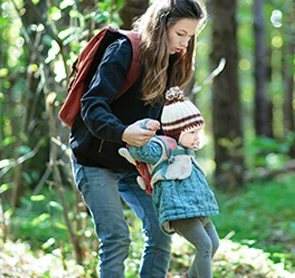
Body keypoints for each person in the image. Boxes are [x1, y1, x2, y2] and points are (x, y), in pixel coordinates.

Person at [69, 0, 206, 277]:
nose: (185, 43)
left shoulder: (169, 62)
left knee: (160, 231)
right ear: (161, 26)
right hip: (95, 161)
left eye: (190, 37)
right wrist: (122, 132)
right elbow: (92, 105)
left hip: (137, 165)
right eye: (181, 34)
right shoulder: (123, 51)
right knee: (116, 239)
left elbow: (162, 122)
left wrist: (184, 138)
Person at [121, 86, 220, 278]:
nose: (197, 137)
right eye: (192, 133)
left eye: (198, 132)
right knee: (204, 245)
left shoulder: (186, 151)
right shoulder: (163, 147)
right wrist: (143, 129)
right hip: (179, 209)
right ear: (177, 130)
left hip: (198, 207)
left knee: (213, 244)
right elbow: (140, 151)